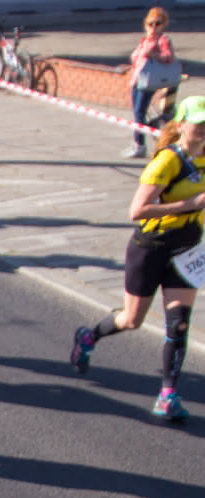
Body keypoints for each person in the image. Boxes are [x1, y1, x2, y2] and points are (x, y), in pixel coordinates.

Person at [69, 96, 205, 422]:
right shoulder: (166, 162)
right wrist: (189, 205)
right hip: (151, 247)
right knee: (132, 320)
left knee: (179, 323)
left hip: (186, 248)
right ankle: (89, 336)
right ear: (182, 125)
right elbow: (137, 211)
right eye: (199, 124)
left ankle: (168, 395)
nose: (204, 131)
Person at [126, 7, 180, 158]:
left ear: (164, 24)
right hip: (137, 80)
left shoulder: (163, 39)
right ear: (145, 24)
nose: (154, 27)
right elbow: (134, 58)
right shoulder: (145, 40)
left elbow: (169, 57)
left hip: (149, 81)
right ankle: (148, 132)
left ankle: (139, 144)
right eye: (151, 23)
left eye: (158, 23)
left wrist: (153, 54)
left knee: (139, 112)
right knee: (138, 113)